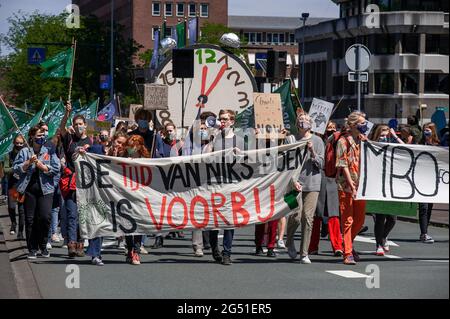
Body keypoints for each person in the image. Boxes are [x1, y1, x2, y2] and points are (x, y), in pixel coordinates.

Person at [13, 126, 61, 259]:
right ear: (32, 137)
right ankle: (32, 248)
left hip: (46, 190)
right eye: (38, 135)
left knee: (45, 217)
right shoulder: (24, 152)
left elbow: (56, 168)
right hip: (28, 190)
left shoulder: (50, 150)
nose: (41, 137)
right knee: (30, 220)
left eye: (43, 135)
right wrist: (28, 162)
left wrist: (44, 167)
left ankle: (43, 245)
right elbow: (16, 169)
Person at [285, 114, 325, 264]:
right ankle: (289, 241)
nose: (304, 122)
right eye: (301, 120)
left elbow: (321, 164)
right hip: (293, 183)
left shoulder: (318, 140)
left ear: (311, 124)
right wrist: (292, 181)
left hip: (313, 183)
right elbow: (285, 162)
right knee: (295, 215)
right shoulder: (291, 139)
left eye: (307, 120)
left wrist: (312, 151)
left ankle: (304, 252)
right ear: (297, 123)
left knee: (308, 218)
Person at [208, 109, 245, 266]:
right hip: (215, 183)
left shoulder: (240, 140)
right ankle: (214, 248)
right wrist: (212, 140)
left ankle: (227, 253)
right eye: (220, 119)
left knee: (230, 220)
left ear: (232, 121)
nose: (222, 121)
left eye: (225, 119)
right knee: (214, 220)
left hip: (231, 183)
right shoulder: (216, 137)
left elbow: (246, 162)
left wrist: (240, 154)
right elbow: (205, 156)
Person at [59, 101, 93, 258]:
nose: (78, 126)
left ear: (85, 125)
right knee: (72, 213)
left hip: (86, 183)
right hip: (71, 182)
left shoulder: (91, 142)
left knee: (82, 215)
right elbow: (61, 129)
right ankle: (71, 243)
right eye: (76, 124)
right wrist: (67, 113)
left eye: (81, 123)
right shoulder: (69, 139)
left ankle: (80, 243)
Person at [335, 111, 368, 265]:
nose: (365, 124)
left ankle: (348, 243)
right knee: (347, 220)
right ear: (354, 125)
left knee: (360, 220)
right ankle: (347, 253)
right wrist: (351, 185)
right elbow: (343, 165)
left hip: (362, 185)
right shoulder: (343, 141)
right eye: (362, 122)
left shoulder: (362, 140)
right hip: (346, 186)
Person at [308, 121, 344, 257]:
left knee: (333, 214)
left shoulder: (338, 140)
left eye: (334, 128)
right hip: (319, 177)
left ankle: (337, 246)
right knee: (317, 214)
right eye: (329, 128)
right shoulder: (316, 140)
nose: (331, 130)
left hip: (333, 178)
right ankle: (312, 246)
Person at [370, 124, 404, 256]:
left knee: (392, 219)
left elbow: (407, 148)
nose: (384, 138)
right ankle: (379, 245)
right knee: (380, 217)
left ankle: (383, 237)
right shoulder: (371, 146)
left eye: (386, 136)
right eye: (382, 135)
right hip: (377, 186)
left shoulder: (392, 147)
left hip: (390, 186)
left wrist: (395, 136)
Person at [152, 122, 184, 249]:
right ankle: (158, 238)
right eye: (168, 131)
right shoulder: (161, 143)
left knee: (176, 207)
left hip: (177, 180)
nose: (170, 133)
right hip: (163, 179)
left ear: (175, 130)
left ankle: (176, 228)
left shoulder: (180, 145)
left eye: (172, 130)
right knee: (160, 210)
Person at [122, 135, 151, 265]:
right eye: (130, 146)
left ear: (140, 146)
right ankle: (129, 249)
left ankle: (136, 251)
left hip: (140, 196)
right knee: (128, 225)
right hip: (125, 196)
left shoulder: (146, 159)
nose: (132, 148)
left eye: (134, 146)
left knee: (138, 224)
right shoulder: (122, 157)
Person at [418, 122, 441, 244]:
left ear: (433, 131)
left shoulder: (438, 144)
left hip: (433, 181)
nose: (426, 132)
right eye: (424, 130)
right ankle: (424, 233)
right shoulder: (420, 144)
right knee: (423, 207)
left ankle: (425, 230)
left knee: (429, 207)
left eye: (428, 130)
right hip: (420, 180)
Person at [3, 135, 26, 239]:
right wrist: (16, 169)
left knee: (21, 210)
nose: (19, 145)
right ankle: (13, 223)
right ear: (14, 143)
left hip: (23, 185)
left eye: (21, 143)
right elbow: (5, 169)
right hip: (13, 185)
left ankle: (21, 231)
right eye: (17, 143)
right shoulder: (9, 155)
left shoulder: (27, 154)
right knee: (12, 207)